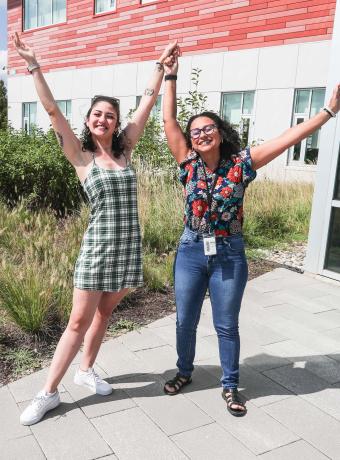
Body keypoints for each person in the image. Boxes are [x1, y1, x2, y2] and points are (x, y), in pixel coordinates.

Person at [162, 51, 340, 416]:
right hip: (191, 249)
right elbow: (168, 120)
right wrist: (170, 76)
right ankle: (185, 371)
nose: (200, 133)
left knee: (226, 324)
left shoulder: (241, 163)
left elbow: (287, 139)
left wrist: (328, 112)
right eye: (195, 131)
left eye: (208, 127)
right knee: (185, 319)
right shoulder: (187, 163)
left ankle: (230, 386)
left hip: (228, 251)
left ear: (220, 132)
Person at [14, 32, 178, 426]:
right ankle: (48, 393)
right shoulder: (81, 156)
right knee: (77, 321)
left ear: (116, 123)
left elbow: (147, 104)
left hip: (128, 247)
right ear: (88, 121)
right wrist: (34, 64)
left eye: (110, 115)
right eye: (97, 114)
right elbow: (52, 111)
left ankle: (86, 370)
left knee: (105, 315)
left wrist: (163, 67)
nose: (103, 119)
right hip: (98, 249)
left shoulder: (125, 150)